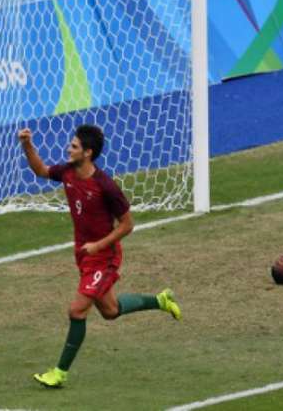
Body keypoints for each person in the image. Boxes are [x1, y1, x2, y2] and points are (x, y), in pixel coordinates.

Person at [19, 124, 182, 388]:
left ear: (88, 152)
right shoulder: (68, 173)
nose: (68, 148)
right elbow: (41, 170)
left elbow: (128, 224)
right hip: (83, 254)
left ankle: (59, 373)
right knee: (110, 310)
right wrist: (27, 145)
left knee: (77, 309)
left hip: (104, 257)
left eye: (73, 146)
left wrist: (98, 246)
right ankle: (160, 300)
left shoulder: (106, 186)